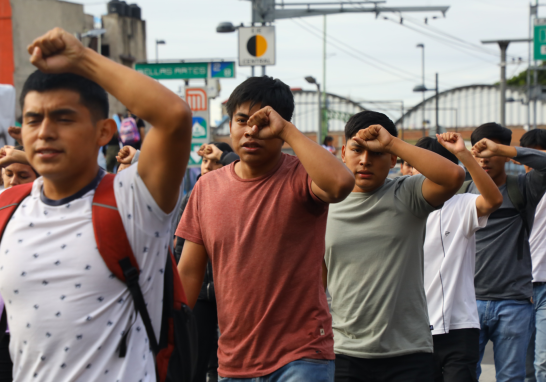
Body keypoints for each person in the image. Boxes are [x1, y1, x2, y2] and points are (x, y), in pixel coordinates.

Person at [0, 26, 191, 381]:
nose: (44, 132)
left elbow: (174, 118)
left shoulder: (132, 201)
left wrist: (82, 58)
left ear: (104, 132)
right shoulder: (7, 210)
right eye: (33, 119)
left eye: (64, 118)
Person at [177, 76, 355, 381]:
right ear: (230, 124)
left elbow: (340, 184)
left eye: (263, 122)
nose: (251, 131)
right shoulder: (206, 188)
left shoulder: (302, 176)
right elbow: (189, 272)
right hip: (234, 363)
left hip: (301, 357)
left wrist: (287, 129)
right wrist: (166, 336)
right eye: (242, 120)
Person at [324, 111, 465, 382]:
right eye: (357, 150)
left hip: (408, 354)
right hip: (343, 353)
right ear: (343, 152)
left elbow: (454, 176)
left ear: (392, 160)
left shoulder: (407, 193)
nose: (365, 160)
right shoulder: (324, 204)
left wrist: (391, 143)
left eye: (376, 153)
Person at [416, 134, 502, 382]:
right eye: (411, 164)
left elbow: (494, 200)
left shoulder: (461, 205)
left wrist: (464, 155)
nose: (414, 170)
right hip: (413, 329)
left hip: (459, 327)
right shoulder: (401, 207)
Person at [468, 123, 546, 382]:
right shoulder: (462, 190)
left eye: (491, 153)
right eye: (479, 154)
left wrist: (508, 149)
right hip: (468, 302)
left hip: (513, 301)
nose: (485, 160)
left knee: (512, 377)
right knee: (464, 375)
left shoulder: (523, 186)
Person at [520, 129, 546, 382]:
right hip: (520, 287)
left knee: (543, 362)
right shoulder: (517, 188)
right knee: (523, 367)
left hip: (545, 285)